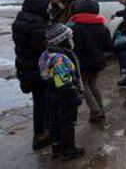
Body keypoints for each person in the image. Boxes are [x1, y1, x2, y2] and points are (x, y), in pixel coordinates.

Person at [12, 0, 50, 151]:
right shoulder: (36, 23)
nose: (48, 7)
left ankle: (40, 133)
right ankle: (43, 134)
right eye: (46, 4)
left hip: (26, 66)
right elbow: (41, 48)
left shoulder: (22, 18)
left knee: (38, 101)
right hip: (37, 69)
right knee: (44, 102)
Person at [39, 23, 84, 161]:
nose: (72, 40)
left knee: (54, 121)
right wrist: (75, 96)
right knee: (66, 123)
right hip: (63, 96)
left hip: (50, 94)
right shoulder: (60, 58)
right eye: (70, 37)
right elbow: (63, 82)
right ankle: (69, 150)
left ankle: (56, 147)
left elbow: (44, 75)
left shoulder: (46, 54)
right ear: (63, 40)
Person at [68, 0, 112, 123]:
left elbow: (74, 49)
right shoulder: (103, 27)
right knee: (93, 83)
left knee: (84, 85)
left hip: (82, 63)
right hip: (98, 62)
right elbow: (109, 46)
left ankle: (95, 110)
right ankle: (100, 110)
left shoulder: (75, 28)